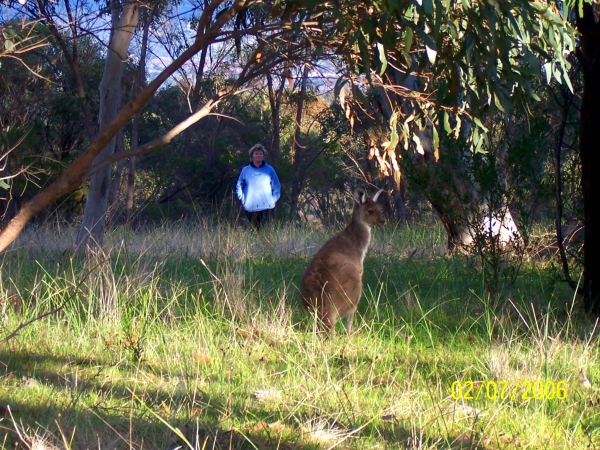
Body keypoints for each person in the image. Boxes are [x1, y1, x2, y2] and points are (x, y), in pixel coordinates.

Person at [236, 143, 281, 228]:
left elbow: (276, 185)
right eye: (256, 153)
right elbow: (239, 185)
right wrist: (243, 199)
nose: (258, 155)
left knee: (266, 232)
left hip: (266, 207)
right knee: (254, 231)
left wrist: (273, 199)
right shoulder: (245, 170)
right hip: (250, 207)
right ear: (252, 155)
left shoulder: (269, 169)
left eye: (260, 153)